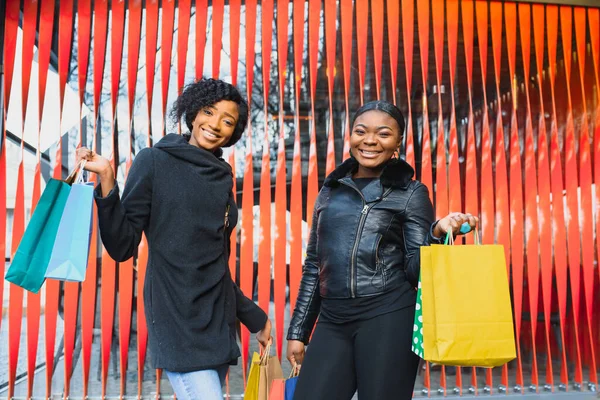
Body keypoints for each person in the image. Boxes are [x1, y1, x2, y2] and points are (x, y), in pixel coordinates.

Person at [76, 78, 272, 400]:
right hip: (177, 316)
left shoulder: (222, 175)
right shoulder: (154, 161)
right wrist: (108, 181)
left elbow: (214, 265)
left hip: (217, 322)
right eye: (209, 112)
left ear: (234, 132)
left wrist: (254, 317)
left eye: (228, 121)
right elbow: (123, 245)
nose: (215, 125)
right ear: (193, 113)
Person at [286, 100, 478, 400]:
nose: (371, 140)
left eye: (383, 134)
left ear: (397, 143)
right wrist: (299, 331)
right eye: (361, 131)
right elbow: (314, 264)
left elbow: (416, 269)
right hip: (333, 319)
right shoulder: (331, 190)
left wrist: (437, 232)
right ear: (350, 137)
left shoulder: (411, 192)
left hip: (388, 316)